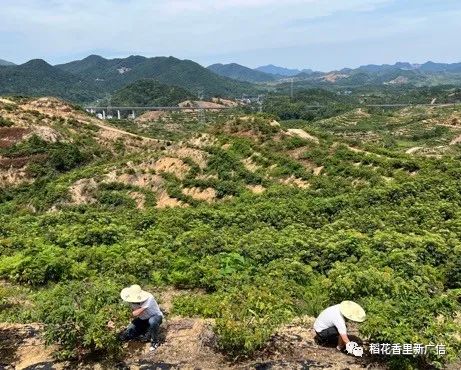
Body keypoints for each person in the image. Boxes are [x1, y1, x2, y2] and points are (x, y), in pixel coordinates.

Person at [118, 284, 164, 351]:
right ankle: (145, 332)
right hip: (143, 319)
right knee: (129, 332)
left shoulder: (149, 298)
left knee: (152, 321)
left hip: (155, 317)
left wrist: (125, 315)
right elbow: (127, 308)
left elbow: (138, 312)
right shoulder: (130, 300)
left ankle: (155, 342)